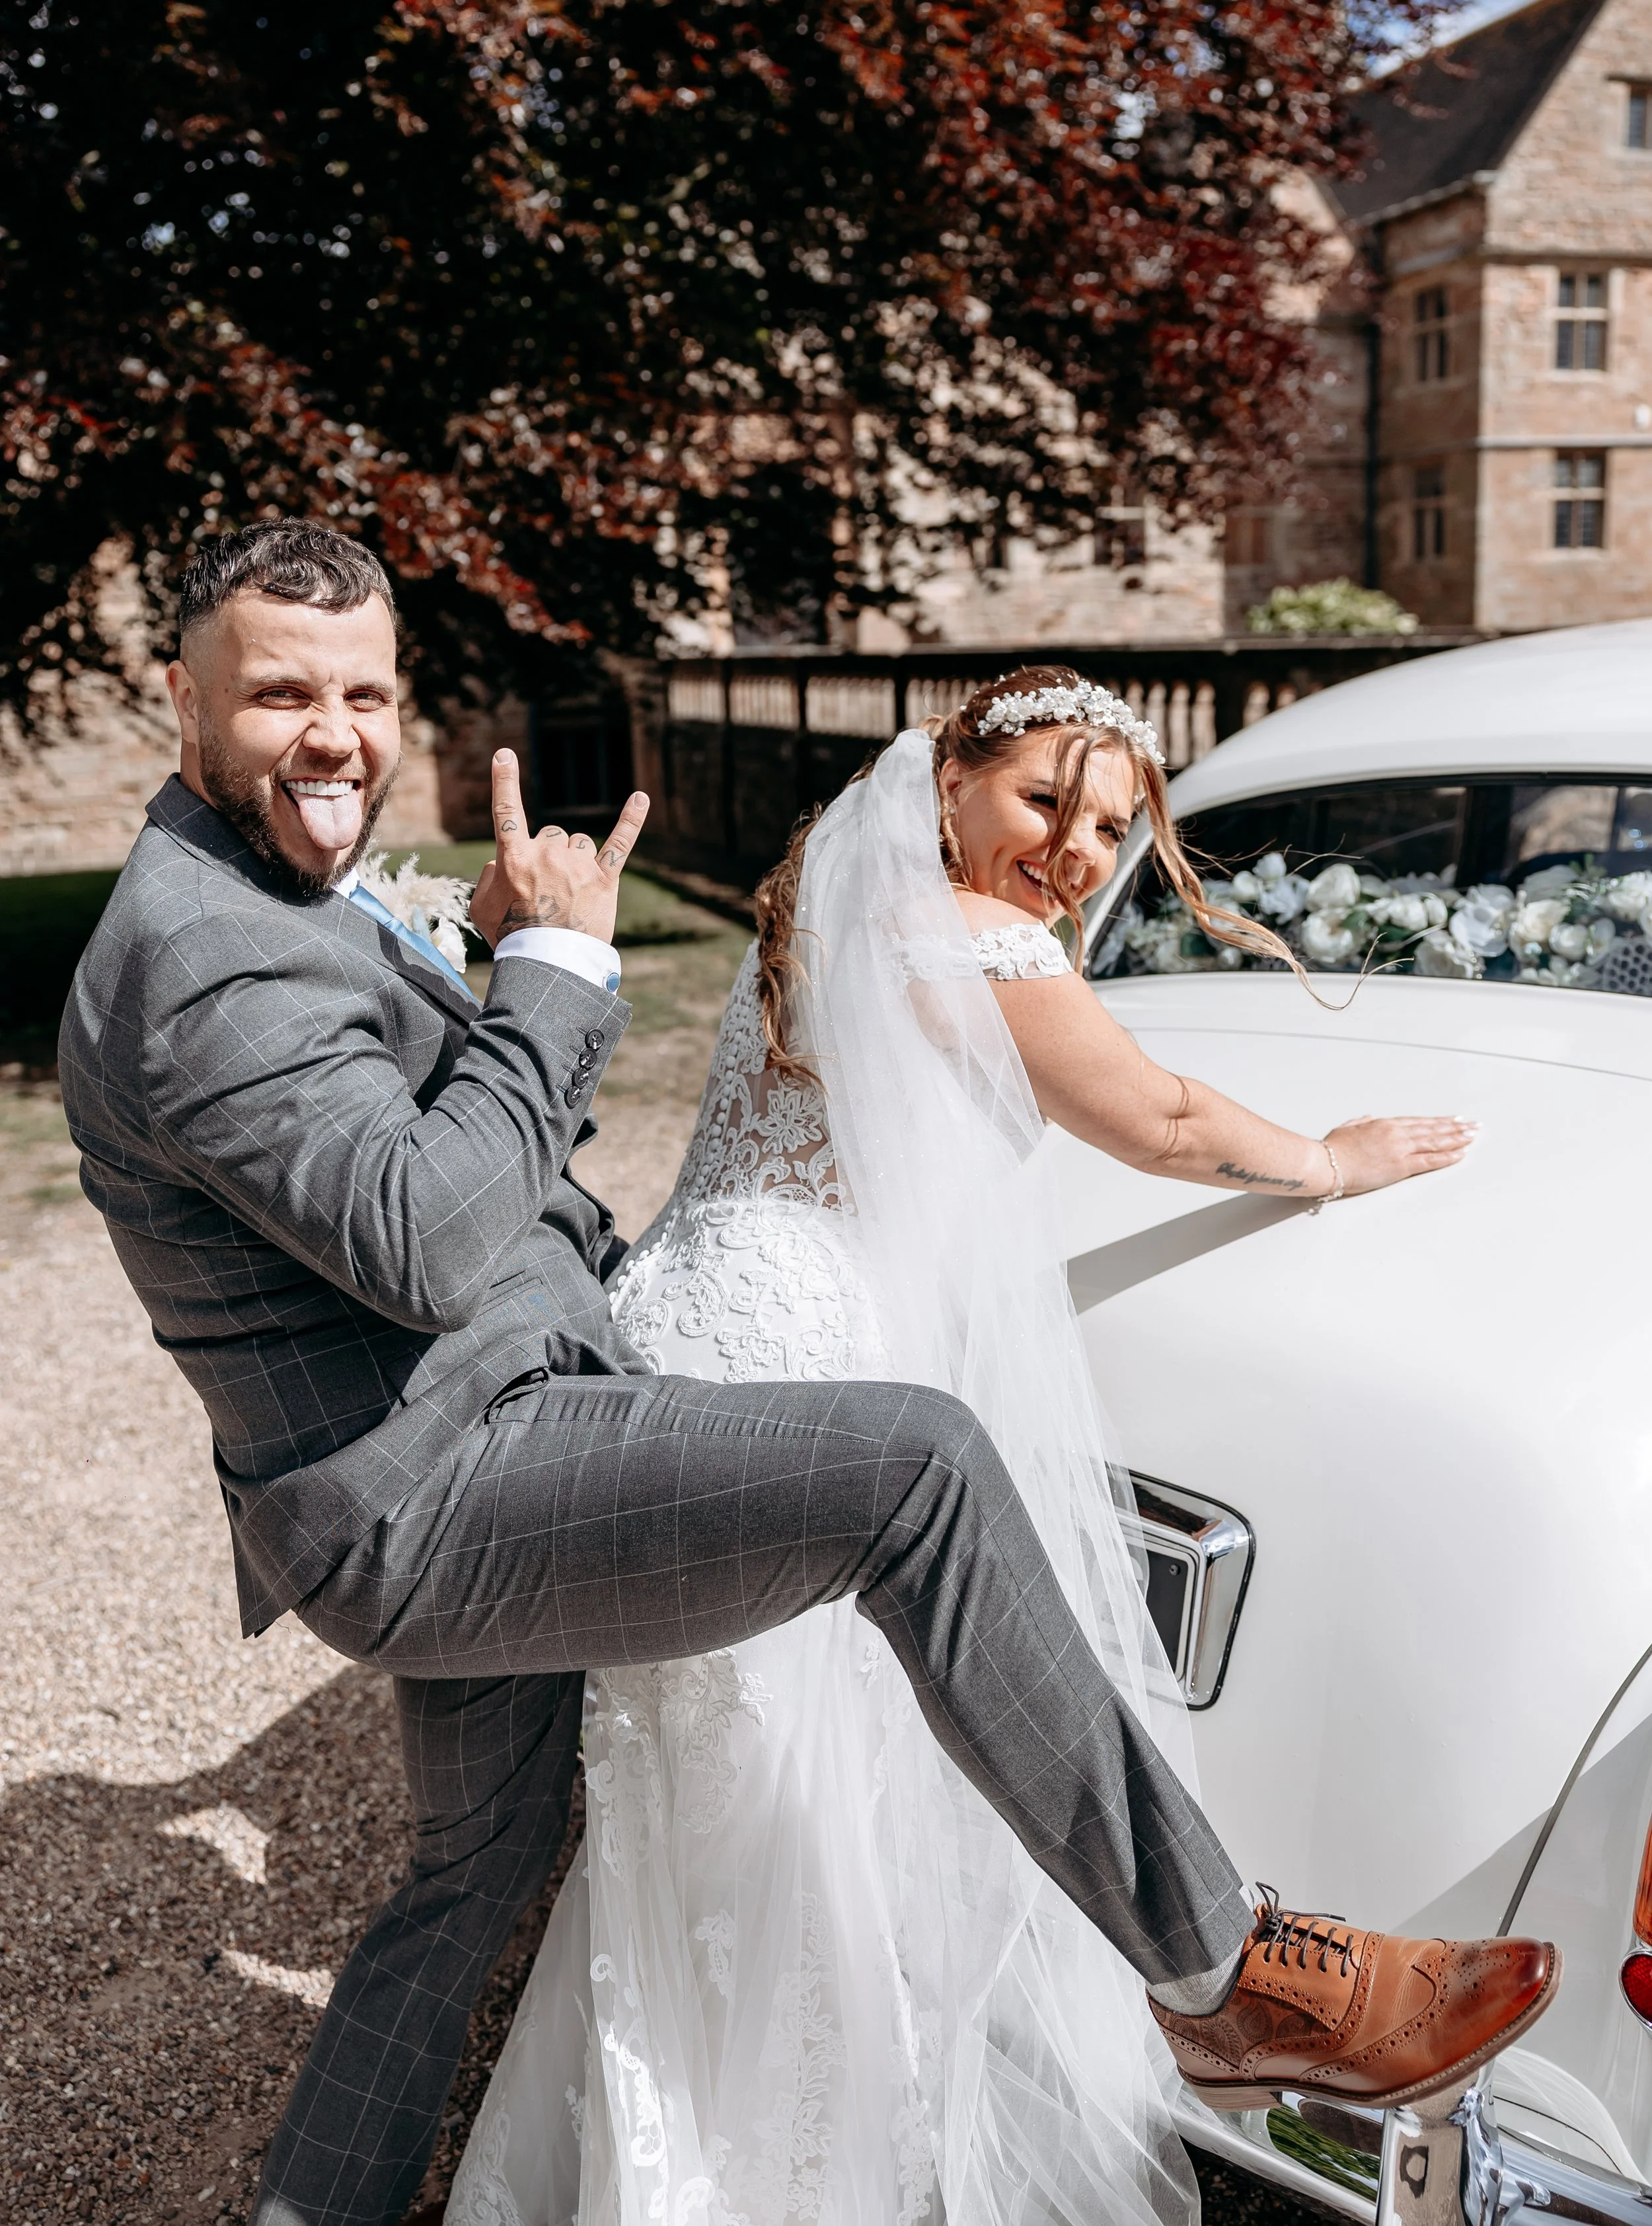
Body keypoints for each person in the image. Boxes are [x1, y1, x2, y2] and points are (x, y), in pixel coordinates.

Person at [56, 526, 1556, 2226]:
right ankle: (1227, 1979)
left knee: (467, 1876)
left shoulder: (269, 899)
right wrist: (554, 969)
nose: (334, 733)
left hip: (481, 1433)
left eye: (364, 693)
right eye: (278, 694)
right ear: (180, 698)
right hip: (442, 1488)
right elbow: (420, 1243)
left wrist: (471, 950)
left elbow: (371, 1143)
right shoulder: (196, 949)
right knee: (915, 1470)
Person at [443, 667, 1504, 2226]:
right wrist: (1328, 1158)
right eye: (1043, 803)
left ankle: (655, 2156)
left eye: (1108, 830)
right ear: (950, 781)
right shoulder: (972, 935)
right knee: (809, 1811)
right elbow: (1157, 1119)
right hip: (804, 1367)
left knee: (701, 1799)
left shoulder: (818, 894)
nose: (1074, 853)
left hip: (680, 1335)